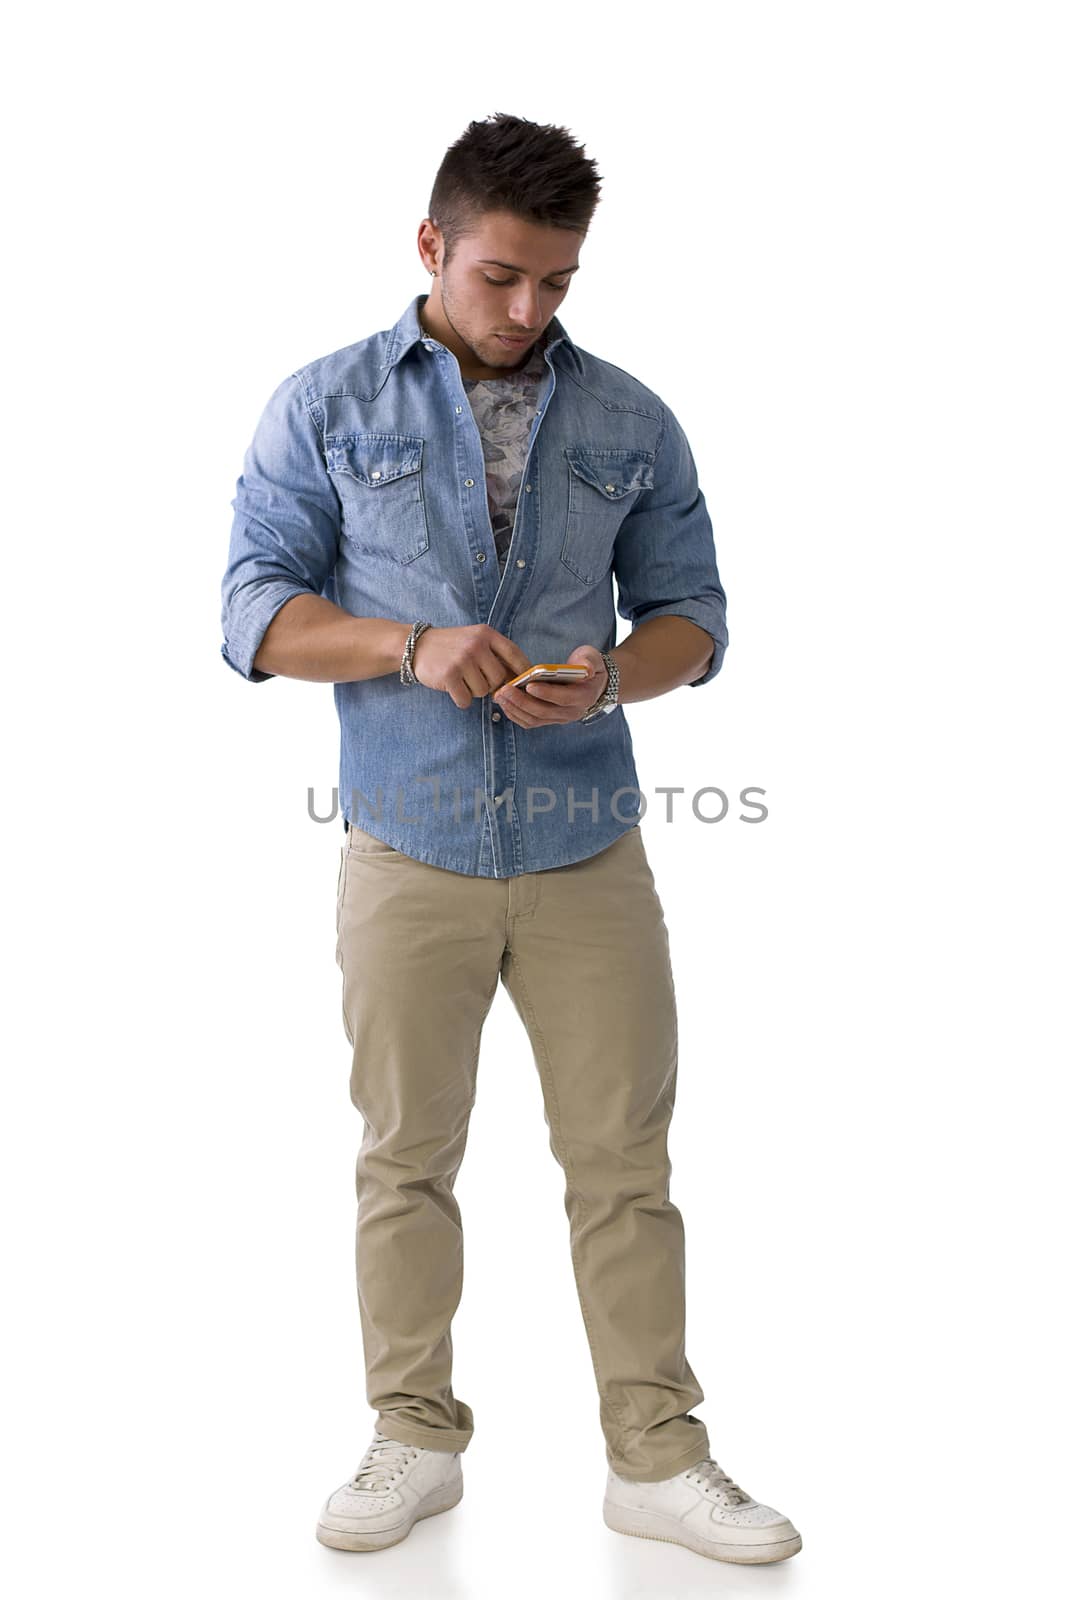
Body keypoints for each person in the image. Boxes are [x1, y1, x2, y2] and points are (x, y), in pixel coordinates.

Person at [219, 111, 802, 1567]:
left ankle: (655, 1458)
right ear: (432, 246)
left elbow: (695, 621)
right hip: (403, 847)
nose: (528, 311)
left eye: (557, 283)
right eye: (500, 278)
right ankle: (412, 1435)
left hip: (586, 852)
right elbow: (253, 613)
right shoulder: (325, 404)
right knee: (405, 1158)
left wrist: (612, 671)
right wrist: (405, 644)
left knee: (625, 1166)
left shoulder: (629, 419)